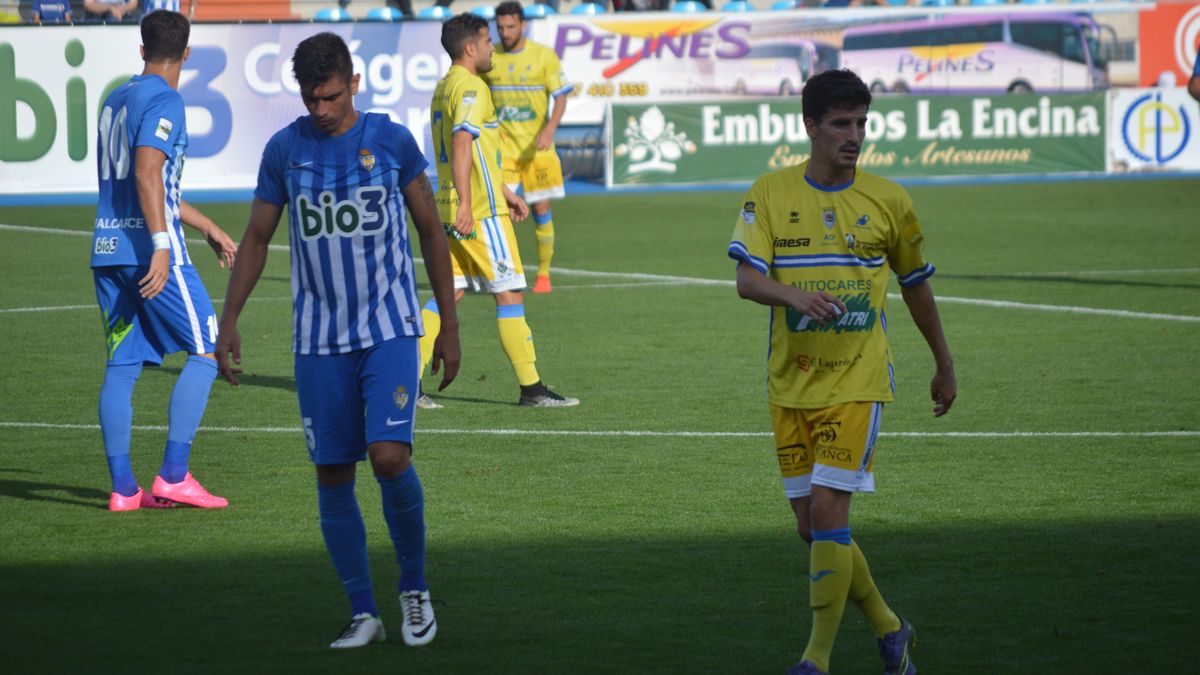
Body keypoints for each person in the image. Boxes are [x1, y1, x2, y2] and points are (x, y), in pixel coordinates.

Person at [213, 32, 460, 650]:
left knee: (389, 458)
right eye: (309, 97)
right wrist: (229, 319)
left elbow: (431, 232)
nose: (319, 109)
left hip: (390, 329)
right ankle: (362, 611)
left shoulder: (391, 142)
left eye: (328, 96)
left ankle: (413, 588)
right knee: (331, 474)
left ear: (353, 82)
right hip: (318, 341)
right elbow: (258, 236)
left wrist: (450, 326)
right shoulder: (284, 150)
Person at [728, 69, 956, 675]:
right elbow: (746, 280)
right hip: (791, 383)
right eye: (840, 124)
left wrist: (943, 361)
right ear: (810, 127)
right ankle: (891, 627)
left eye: (861, 123)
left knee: (831, 516)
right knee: (812, 529)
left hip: (858, 382)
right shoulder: (769, 194)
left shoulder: (889, 200)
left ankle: (815, 660)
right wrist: (795, 297)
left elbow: (916, 286)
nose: (854, 136)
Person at [91, 9, 235, 512]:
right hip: (149, 253)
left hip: (107, 249)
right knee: (207, 349)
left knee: (123, 364)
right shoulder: (165, 98)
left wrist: (206, 225)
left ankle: (124, 489)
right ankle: (173, 475)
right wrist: (161, 242)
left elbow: (148, 183)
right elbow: (148, 170)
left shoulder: (116, 99)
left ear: (141, 49)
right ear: (187, 54)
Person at [418, 12, 578, 409]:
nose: (493, 48)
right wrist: (470, 203)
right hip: (479, 215)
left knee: (448, 293)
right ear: (471, 47)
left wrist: (504, 189)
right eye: (488, 41)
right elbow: (461, 143)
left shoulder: (444, 87)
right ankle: (532, 389)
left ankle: (405, 383)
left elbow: (476, 151)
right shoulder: (473, 86)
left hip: (452, 206)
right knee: (509, 294)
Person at [483, 1, 573, 295]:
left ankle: (544, 274)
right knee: (499, 211)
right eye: (501, 27)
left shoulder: (543, 56)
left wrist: (550, 129)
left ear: (523, 25)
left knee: (540, 210)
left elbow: (560, 97)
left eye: (511, 26)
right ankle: (504, 272)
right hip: (505, 148)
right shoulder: (491, 56)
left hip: (537, 149)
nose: (505, 32)